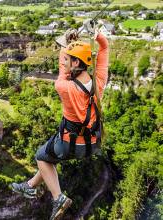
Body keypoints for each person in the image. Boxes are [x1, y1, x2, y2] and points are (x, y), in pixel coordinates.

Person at [11, 22, 109, 220]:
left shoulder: (64, 87)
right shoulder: (99, 82)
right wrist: (97, 36)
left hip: (70, 144)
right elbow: (104, 49)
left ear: (74, 63)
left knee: (41, 158)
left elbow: (63, 67)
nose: (65, 62)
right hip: (92, 143)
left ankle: (58, 198)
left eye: (69, 60)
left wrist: (66, 43)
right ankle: (30, 186)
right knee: (48, 157)